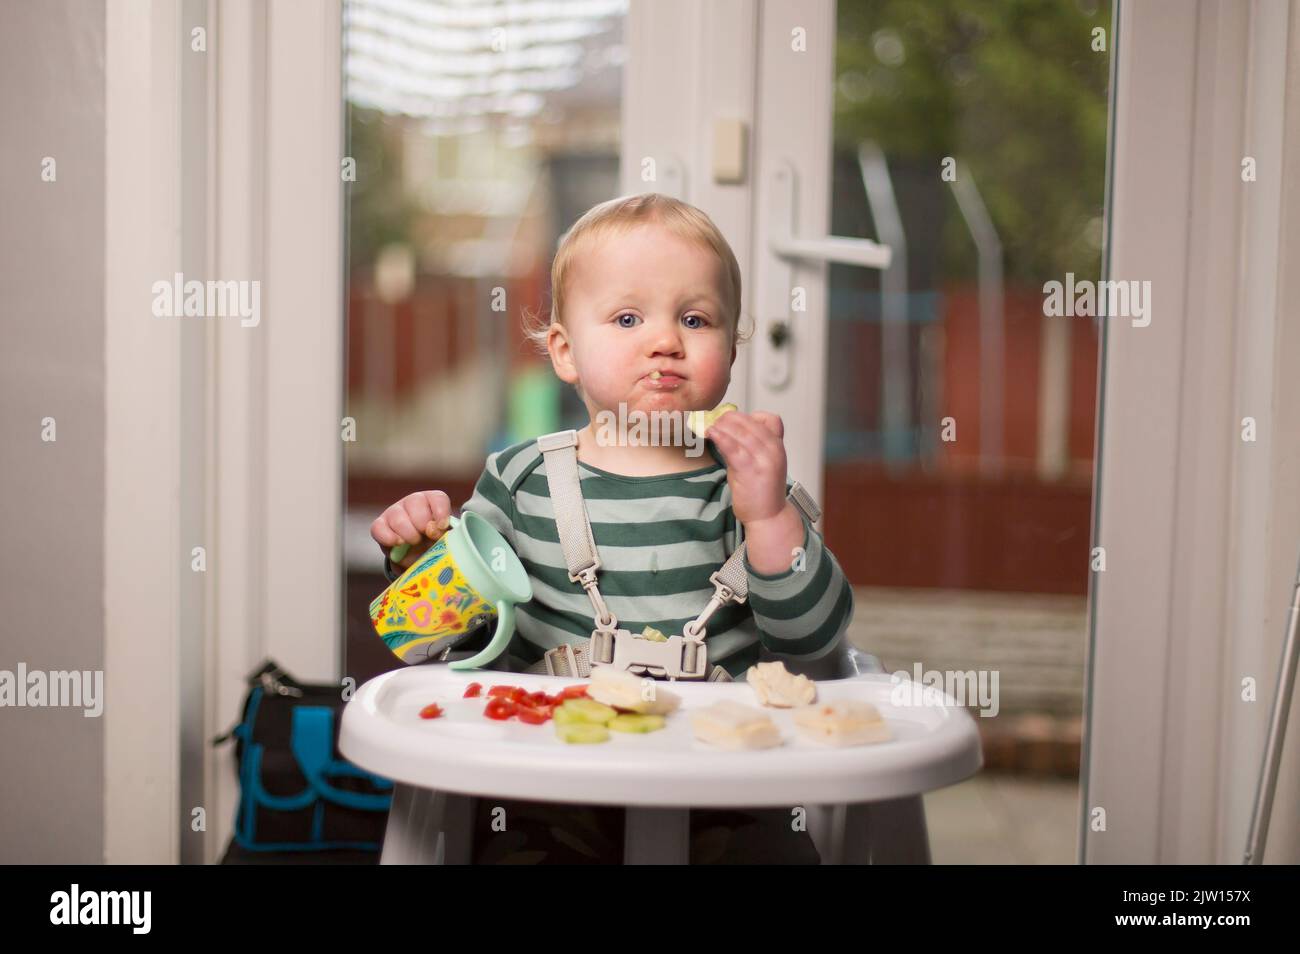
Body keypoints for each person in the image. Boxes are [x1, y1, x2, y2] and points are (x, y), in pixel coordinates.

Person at [370, 192, 855, 864]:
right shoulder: (519, 480)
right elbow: (445, 639)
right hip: (548, 776)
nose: (665, 340)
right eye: (628, 317)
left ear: (733, 347)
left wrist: (770, 518)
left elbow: (815, 637)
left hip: (721, 782)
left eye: (695, 318)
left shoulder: (749, 486)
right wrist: (421, 554)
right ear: (565, 353)